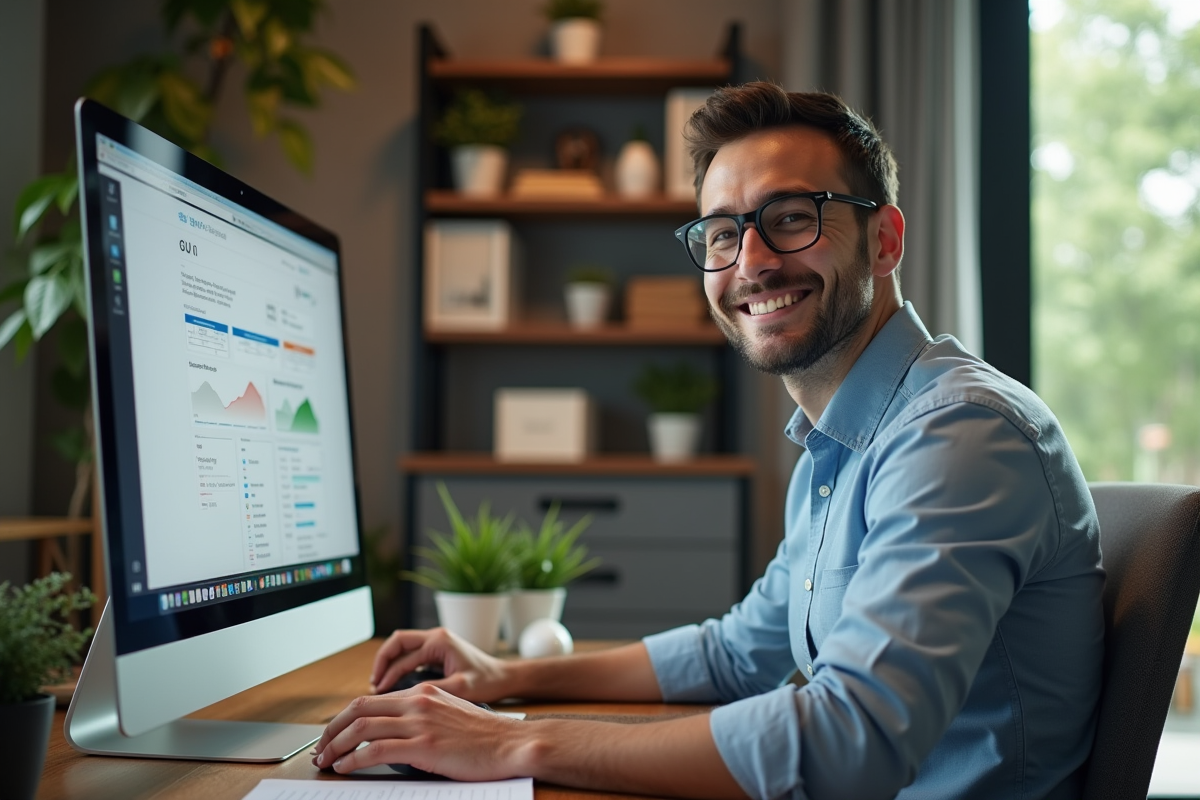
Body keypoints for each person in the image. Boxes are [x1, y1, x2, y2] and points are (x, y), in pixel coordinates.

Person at [313, 82, 1104, 800]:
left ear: (885, 241)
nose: (750, 263)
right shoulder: (842, 443)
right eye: (723, 234)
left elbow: (850, 740)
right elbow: (736, 654)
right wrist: (504, 676)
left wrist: (510, 742)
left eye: (789, 218)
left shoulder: (958, 435)